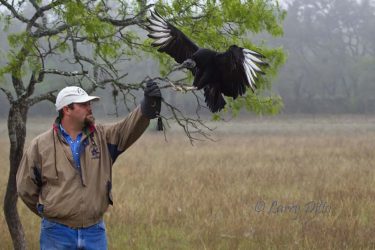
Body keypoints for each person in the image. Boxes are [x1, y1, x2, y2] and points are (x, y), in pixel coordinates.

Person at [16, 81, 162, 249]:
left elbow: (126, 129)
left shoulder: (103, 137)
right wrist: (48, 211)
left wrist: (146, 107)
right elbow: (25, 188)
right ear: (67, 109)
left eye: (89, 103)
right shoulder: (40, 145)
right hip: (56, 233)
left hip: (94, 231)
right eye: (83, 104)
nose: (89, 107)